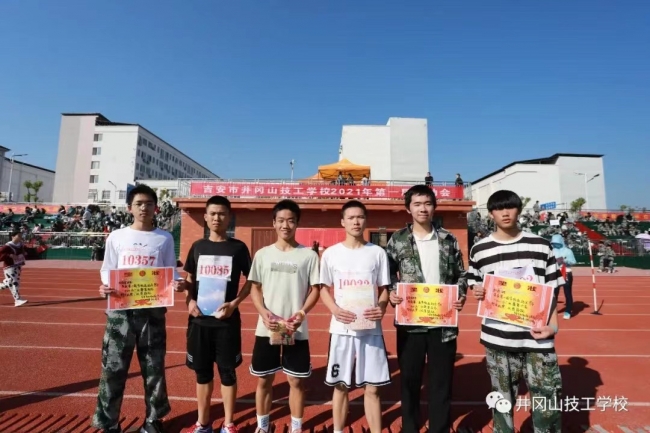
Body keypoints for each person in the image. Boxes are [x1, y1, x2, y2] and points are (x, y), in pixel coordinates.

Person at [468, 190, 564, 433]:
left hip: (537, 337)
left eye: (510, 207)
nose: (505, 213)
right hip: (498, 339)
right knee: (501, 399)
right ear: (491, 213)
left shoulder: (541, 246)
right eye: (498, 208)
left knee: (547, 400)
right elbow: (474, 283)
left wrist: (553, 327)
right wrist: (478, 290)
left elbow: (552, 290)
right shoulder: (479, 249)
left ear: (518, 210)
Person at [93, 184, 183, 433]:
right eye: (139, 204)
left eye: (149, 203)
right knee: (113, 368)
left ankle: (153, 420)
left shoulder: (164, 238)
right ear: (129, 208)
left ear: (156, 208)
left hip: (152, 312)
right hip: (120, 312)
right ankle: (109, 423)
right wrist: (105, 286)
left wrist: (178, 283)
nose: (144, 208)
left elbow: (170, 271)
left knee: (154, 367)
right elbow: (107, 269)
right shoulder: (116, 236)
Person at [385, 185, 468, 433]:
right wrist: (392, 292)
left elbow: (461, 274)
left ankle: (439, 428)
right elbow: (387, 274)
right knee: (409, 380)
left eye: (428, 203)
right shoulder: (397, 240)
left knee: (441, 381)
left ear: (434, 207)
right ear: (408, 208)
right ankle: (410, 426)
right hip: (410, 323)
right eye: (417, 204)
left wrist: (460, 294)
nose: (423, 208)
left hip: (443, 324)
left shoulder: (448, 239)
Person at [181, 196, 253, 433]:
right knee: (202, 374)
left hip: (227, 323)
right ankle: (203, 423)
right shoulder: (197, 247)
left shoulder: (238, 248)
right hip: (199, 322)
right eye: (212, 213)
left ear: (229, 217)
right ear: (205, 216)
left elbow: (251, 280)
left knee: (227, 373)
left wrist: (234, 303)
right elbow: (189, 279)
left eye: (222, 213)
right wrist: (189, 300)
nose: (217, 218)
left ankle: (229, 423)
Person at [248, 199, 321, 433]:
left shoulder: (308, 256)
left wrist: (301, 313)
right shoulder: (262, 254)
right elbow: (255, 288)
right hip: (267, 327)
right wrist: (263, 313)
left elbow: (316, 289)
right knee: (264, 379)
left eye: (290, 220)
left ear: (297, 223)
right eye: (280, 220)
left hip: (295, 328)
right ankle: (263, 426)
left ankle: (296, 427)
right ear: (273, 223)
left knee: (296, 381)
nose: (285, 225)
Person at [319, 200, 391, 433]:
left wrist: (382, 307)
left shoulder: (377, 253)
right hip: (342, 330)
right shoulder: (331, 254)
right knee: (340, 385)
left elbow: (385, 288)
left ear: (366, 220)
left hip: (371, 330)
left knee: (373, 388)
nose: (356, 222)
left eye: (360, 217)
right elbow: (323, 288)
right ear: (343, 222)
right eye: (351, 218)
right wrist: (334, 309)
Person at [551, 233, 577, 320]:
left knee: (567, 293)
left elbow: (573, 262)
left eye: (557, 243)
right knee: (554, 293)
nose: (555, 245)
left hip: (566, 272)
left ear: (561, 242)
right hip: (555, 273)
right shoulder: (552, 250)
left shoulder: (568, 251)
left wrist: (564, 260)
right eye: (554, 243)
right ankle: (552, 310)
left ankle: (568, 311)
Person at [0, 230, 28, 306]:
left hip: (18, 265)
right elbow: (1, 254)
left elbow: (22, 251)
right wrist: (9, 255)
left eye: (21, 235)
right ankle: (17, 300)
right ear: (13, 236)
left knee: (12, 282)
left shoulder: (20, 244)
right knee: (14, 282)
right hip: (9, 266)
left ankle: (2, 285)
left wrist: (24, 253)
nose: (20, 237)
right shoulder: (7, 246)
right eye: (18, 236)